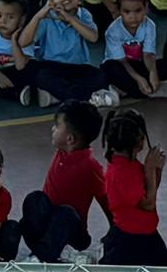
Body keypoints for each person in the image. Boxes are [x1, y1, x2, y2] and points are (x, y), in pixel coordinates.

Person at [19, 99, 104, 262]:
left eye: (57, 126)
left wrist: (113, 235)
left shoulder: (90, 166)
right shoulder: (61, 151)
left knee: (65, 214)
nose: (53, 129)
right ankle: (53, 253)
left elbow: (107, 201)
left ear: (70, 139)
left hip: (72, 235)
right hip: (47, 230)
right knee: (34, 199)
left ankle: (41, 257)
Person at [98, 106, 167, 266]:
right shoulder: (121, 173)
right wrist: (150, 169)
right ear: (139, 140)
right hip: (132, 238)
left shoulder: (129, 163)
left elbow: (150, 189)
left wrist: (157, 170)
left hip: (144, 232)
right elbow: (148, 204)